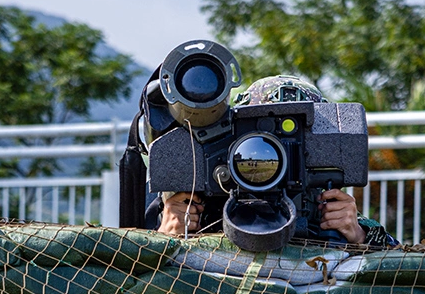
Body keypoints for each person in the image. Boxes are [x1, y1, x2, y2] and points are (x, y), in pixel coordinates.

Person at [146, 75, 397, 247]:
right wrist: (167, 234)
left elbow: (397, 260)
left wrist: (358, 235)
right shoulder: (205, 205)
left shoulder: (325, 208)